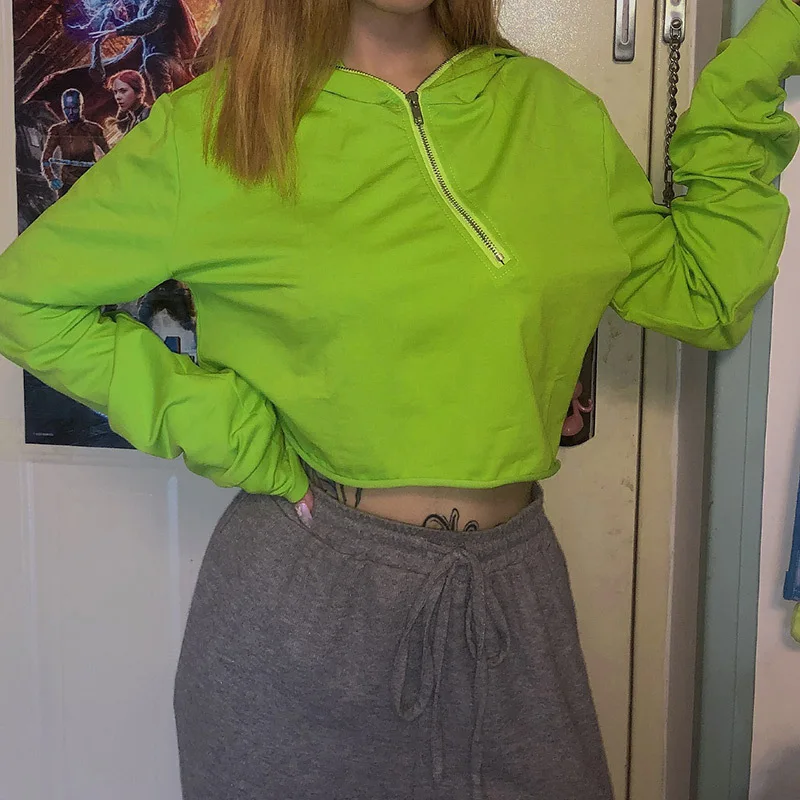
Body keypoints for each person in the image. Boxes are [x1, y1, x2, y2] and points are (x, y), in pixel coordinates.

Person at [1, 0, 799, 797]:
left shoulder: (553, 114)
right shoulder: (216, 129)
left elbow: (700, 293)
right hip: (304, 603)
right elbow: (25, 300)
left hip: (512, 595)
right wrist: (231, 428)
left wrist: (757, 65)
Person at [88, 0, 199, 98]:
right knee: (132, 84)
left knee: (153, 61)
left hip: (173, 64)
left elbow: (151, 23)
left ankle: (164, 106)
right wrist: (116, 22)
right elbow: (139, 31)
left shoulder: (164, 2)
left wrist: (117, 31)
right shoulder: (144, 4)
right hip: (153, 65)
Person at [40, 89, 109, 198]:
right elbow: (46, 159)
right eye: (67, 109)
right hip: (67, 184)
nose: (70, 113)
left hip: (90, 180)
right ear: (63, 108)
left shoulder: (94, 129)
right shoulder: (57, 130)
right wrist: (51, 178)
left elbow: (109, 154)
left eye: (74, 109)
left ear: (81, 107)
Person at [105, 69, 151, 143]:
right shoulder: (130, 121)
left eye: (123, 91)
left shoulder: (149, 115)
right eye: (115, 92)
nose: (117, 97)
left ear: (139, 93)